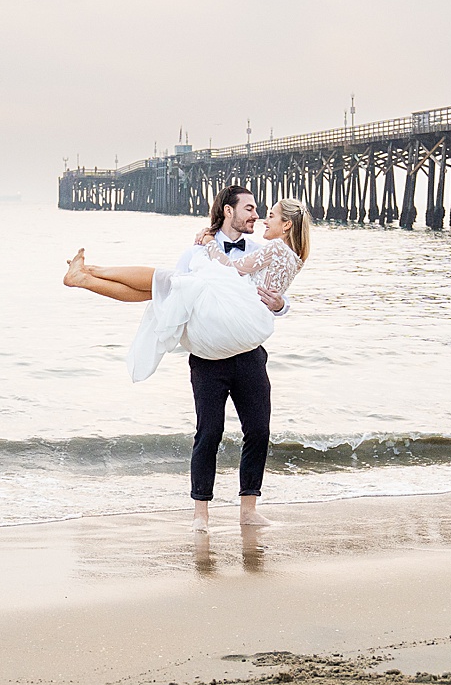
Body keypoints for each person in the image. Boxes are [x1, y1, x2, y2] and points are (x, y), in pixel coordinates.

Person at [64, 186, 310, 530]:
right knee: (209, 432)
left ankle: (249, 510)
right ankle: (200, 515)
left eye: (261, 211)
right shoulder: (194, 251)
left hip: (248, 354)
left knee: (259, 429)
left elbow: (274, 291)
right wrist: (206, 250)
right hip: (208, 357)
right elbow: (166, 294)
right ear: (228, 211)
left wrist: (281, 305)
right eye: (250, 209)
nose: (256, 215)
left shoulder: (260, 248)